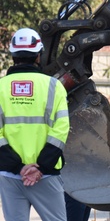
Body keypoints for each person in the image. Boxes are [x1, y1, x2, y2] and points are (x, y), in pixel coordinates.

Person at [0, 28, 70, 221]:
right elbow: (61, 130)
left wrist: (19, 167)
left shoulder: (0, 88)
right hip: (46, 174)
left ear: (13, 55)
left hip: (10, 175)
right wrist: (39, 168)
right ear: (38, 56)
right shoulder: (54, 87)